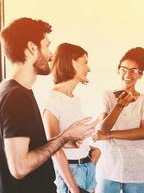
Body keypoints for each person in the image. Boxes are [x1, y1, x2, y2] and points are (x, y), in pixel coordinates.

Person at [0, 18, 98, 193]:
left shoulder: (12, 90)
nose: (52, 55)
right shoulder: (16, 96)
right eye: (47, 46)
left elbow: (31, 149)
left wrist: (68, 139)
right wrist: (65, 136)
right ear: (31, 48)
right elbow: (19, 167)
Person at [94, 47, 144, 193]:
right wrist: (119, 106)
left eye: (134, 70)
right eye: (124, 69)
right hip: (109, 165)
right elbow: (102, 128)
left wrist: (109, 135)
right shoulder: (107, 95)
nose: (128, 74)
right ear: (118, 70)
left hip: (137, 167)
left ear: (140, 75)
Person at [43, 43, 101, 193]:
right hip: (71, 173)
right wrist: (74, 189)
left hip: (87, 168)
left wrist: (93, 154)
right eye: (85, 62)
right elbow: (54, 149)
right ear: (71, 62)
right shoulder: (53, 99)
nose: (89, 68)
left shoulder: (75, 99)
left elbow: (70, 140)